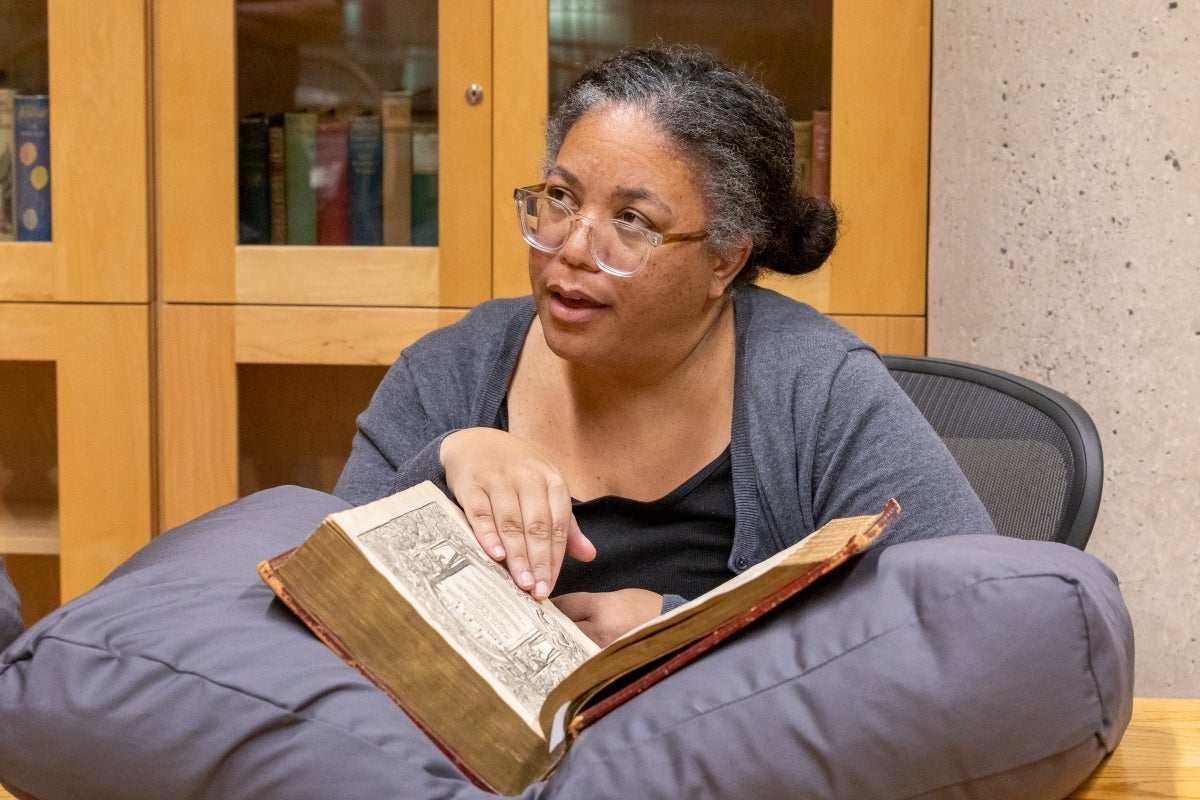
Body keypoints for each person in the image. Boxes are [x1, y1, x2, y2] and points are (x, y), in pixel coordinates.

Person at [334, 44, 996, 646]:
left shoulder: (817, 387)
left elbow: (974, 614)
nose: (572, 247)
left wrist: (687, 629)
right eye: (561, 198)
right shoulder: (451, 371)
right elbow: (321, 604)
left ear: (724, 262)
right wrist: (446, 459)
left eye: (632, 221)